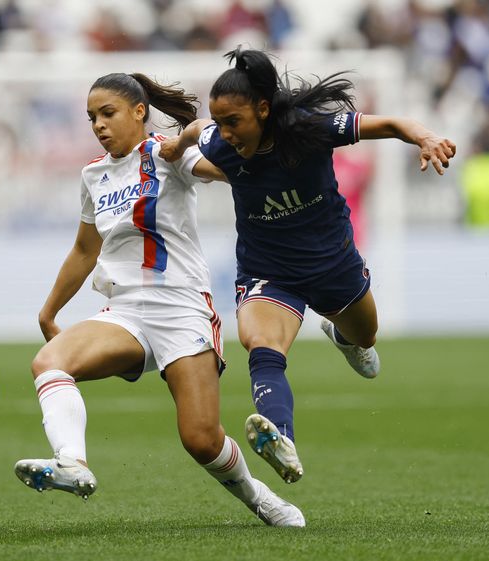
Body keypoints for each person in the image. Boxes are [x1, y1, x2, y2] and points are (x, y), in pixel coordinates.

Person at [14, 72, 305, 527]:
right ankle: (72, 463)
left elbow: (225, 171)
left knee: (201, 439)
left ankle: (261, 499)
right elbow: (85, 250)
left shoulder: (165, 153)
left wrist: (260, 157)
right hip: (124, 312)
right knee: (49, 362)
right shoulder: (93, 175)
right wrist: (49, 311)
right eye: (91, 118)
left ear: (139, 112)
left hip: (182, 309)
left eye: (107, 113)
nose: (98, 125)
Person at [160, 48, 456, 484]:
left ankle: (343, 336)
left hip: (332, 264)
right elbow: (196, 129)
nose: (225, 132)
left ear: (263, 109)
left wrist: (426, 137)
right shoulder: (220, 141)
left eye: (234, 121)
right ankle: (281, 438)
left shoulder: (310, 128)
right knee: (261, 344)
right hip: (267, 270)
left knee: (366, 335)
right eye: (220, 122)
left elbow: (393, 124)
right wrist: (176, 146)